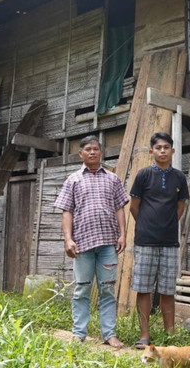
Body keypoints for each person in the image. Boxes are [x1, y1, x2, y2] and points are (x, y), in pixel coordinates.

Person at [54, 135, 128, 348]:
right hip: (82, 245)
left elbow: (119, 208)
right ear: (81, 154)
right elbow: (67, 211)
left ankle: (109, 334)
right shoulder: (73, 180)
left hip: (108, 244)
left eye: (96, 149)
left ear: (101, 152)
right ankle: (79, 334)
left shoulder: (112, 179)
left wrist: (123, 234)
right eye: (88, 149)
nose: (92, 152)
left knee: (107, 290)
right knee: (81, 289)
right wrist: (68, 239)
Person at [129, 132, 189, 349]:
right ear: (151, 151)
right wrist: (147, 225)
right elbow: (134, 207)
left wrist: (167, 226)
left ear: (172, 150)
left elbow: (180, 207)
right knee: (144, 288)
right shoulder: (143, 175)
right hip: (145, 241)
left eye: (166, 147)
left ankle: (169, 334)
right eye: (158, 147)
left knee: (167, 289)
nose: (162, 151)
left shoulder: (179, 177)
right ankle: (144, 335)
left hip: (170, 242)